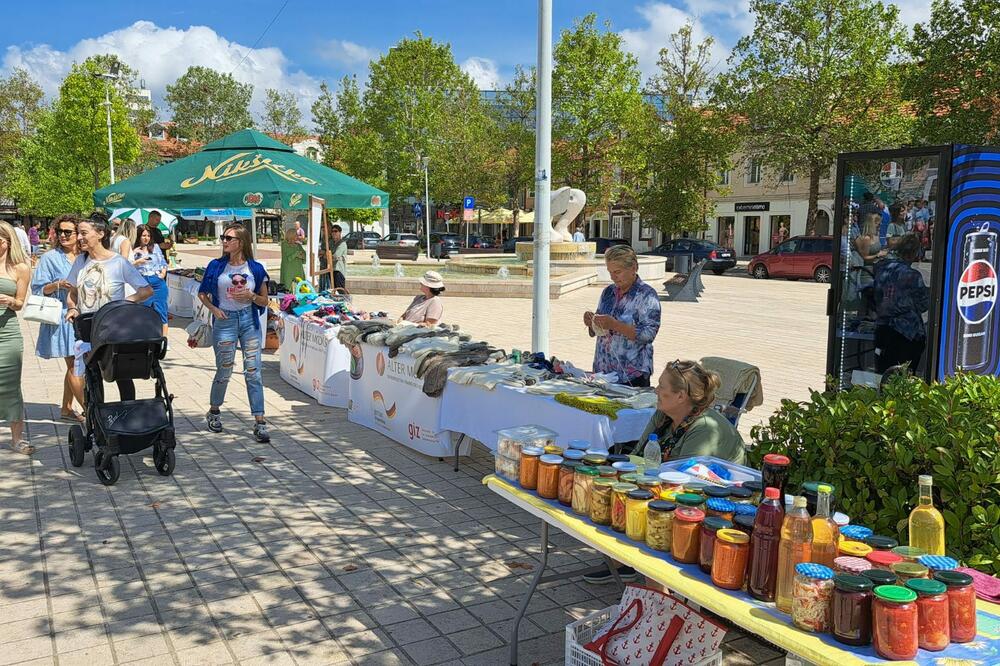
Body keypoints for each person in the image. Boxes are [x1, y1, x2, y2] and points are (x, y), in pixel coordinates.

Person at [65, 213, 153, 402]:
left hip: (114, 328)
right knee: (93, 377)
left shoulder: (118, 262)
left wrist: (123, 304)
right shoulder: (81, 262)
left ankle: (128, 413)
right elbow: (72, 293)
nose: (79, 238)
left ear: (100, 234)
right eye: (78, 233)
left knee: (122, 374)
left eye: (83, 233)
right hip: (87, 327)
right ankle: (98, 421)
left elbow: (146, 291)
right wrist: (72, 308)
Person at [197, 222, 272, 443]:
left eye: (229, 238)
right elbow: (203, 294)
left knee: (253, 372)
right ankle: (214, 410)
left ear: (241, 242)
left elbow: (265, 300)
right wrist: (214, 310)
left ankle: (259, 421)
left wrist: (251, 297)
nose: (224, 241)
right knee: (224, 370)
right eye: (224, 238)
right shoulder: (216, 266)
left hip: (249, 320)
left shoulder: (255, 269)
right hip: (225, 321)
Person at [634, 360, 746, 464]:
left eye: (661, 386)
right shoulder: (663, 414)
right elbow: (637, 455)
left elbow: (686, 478)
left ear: (680, 396)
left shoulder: (704, 428)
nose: (656, 390)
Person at [31, 215, 85, 423]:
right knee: (75, 364)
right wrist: (58, 285)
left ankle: (66, 409)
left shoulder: (85, 256)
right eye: (60, 231)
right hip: (64, 317)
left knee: (76, 364)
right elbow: (37, 289)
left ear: (77, 234)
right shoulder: (50, 258)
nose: (63, 235)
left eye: (68, 232)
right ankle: (91, 411)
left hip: (86, 315)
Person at [583, 245, 661, 386]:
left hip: (632, 376)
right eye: (610, 272)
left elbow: (648, 335)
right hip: (603, 373)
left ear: (633, 268)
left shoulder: (647, 296)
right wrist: (592, 321)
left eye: (617, 272)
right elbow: (599, 330)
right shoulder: (608, 292)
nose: (613, 277)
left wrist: (614, 325)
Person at [873, 234, 929, 373]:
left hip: (883, 329)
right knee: (904, 375)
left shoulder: (881, 269)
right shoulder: (912, 275)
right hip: (906, 332)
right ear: (913, 253)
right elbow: (924, 304)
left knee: (884, 372)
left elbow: (876, 296)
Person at [0, 221, 31, 454]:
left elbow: (20, 303)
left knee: (11, 385)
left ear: (8, 241)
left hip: (8, 333)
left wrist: (11, 301)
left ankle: (16, 439)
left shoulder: (20, 267)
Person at [132, 224, 170, 336]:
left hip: (157, 281)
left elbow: (163, 261)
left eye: (148, 235)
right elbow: (127, 267)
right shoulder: (133, 250)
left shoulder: (155, 247)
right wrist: (137, 261)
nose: (146, 238)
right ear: (138, 236)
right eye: (143, 235)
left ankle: (164, 340)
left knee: (162, 311)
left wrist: (163, 272)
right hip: (143, 282)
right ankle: (145, 337)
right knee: (143, 312)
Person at [331, 224, 348, 290]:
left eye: (336, 231)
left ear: (340, 232)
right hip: (332, 270)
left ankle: (345, 300)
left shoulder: (342, 243)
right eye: (332, 231)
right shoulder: (332, 243)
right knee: (334, 291)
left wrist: (326, 255)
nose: (334, 233)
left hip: (339, 271)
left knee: (340, 291)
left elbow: (335, 256)